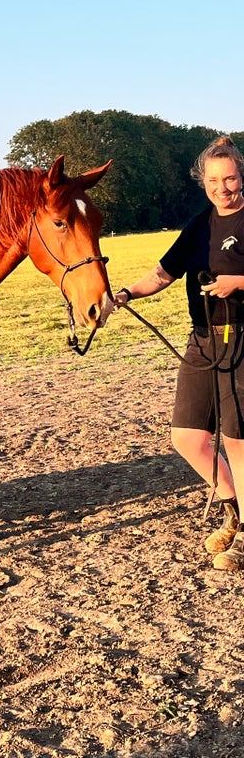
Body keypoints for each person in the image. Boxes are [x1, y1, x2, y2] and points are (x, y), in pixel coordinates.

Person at [114, 135, 244, 571]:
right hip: (203, 339)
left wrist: (238, 282)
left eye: (230, 178)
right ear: (203, 182)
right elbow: (163, 273)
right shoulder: (199, 225)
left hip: (243, 338)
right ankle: (234, 509)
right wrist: (127, 293)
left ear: (241, 175)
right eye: (214, 180)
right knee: (187, 437)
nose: (223, 188)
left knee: (237, 441)